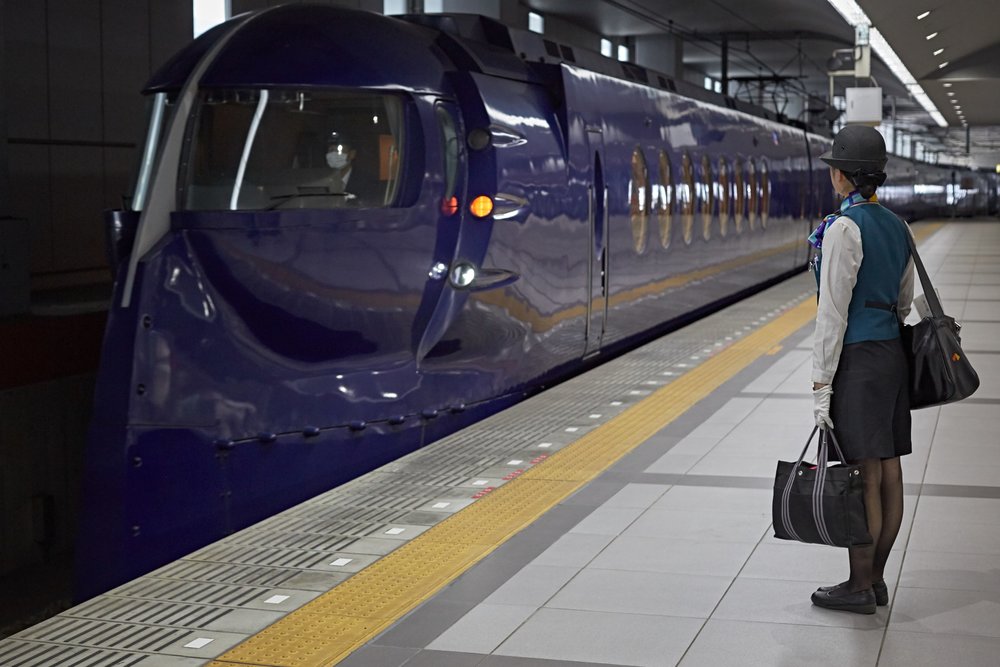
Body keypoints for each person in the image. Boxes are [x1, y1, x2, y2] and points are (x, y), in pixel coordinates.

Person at [807, 125, 915, 615]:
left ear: (841, 176)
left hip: (860, 359)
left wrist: (821, 385)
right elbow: (904, 300)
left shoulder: (843, 229)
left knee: (863, 473)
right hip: (891, 355)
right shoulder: (898, 226)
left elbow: (831, 313)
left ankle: (858, 584)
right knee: (889, 468)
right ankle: (876, 579)